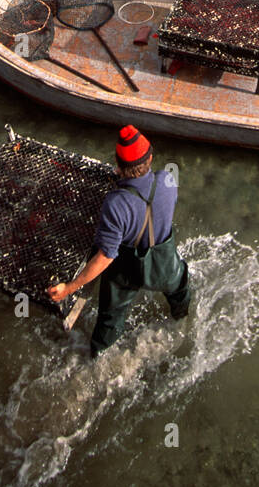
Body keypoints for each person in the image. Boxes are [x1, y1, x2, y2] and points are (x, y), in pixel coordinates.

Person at [47, 125, 191, 357]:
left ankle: (98, 354)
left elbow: (106, 256)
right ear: (151, 158)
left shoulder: (115, 203)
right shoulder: (167, 179)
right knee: (180, 285)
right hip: (165, 264)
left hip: (128, 272)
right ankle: (182, 318)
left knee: (110, 317)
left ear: (117, 162)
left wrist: (70, 287)